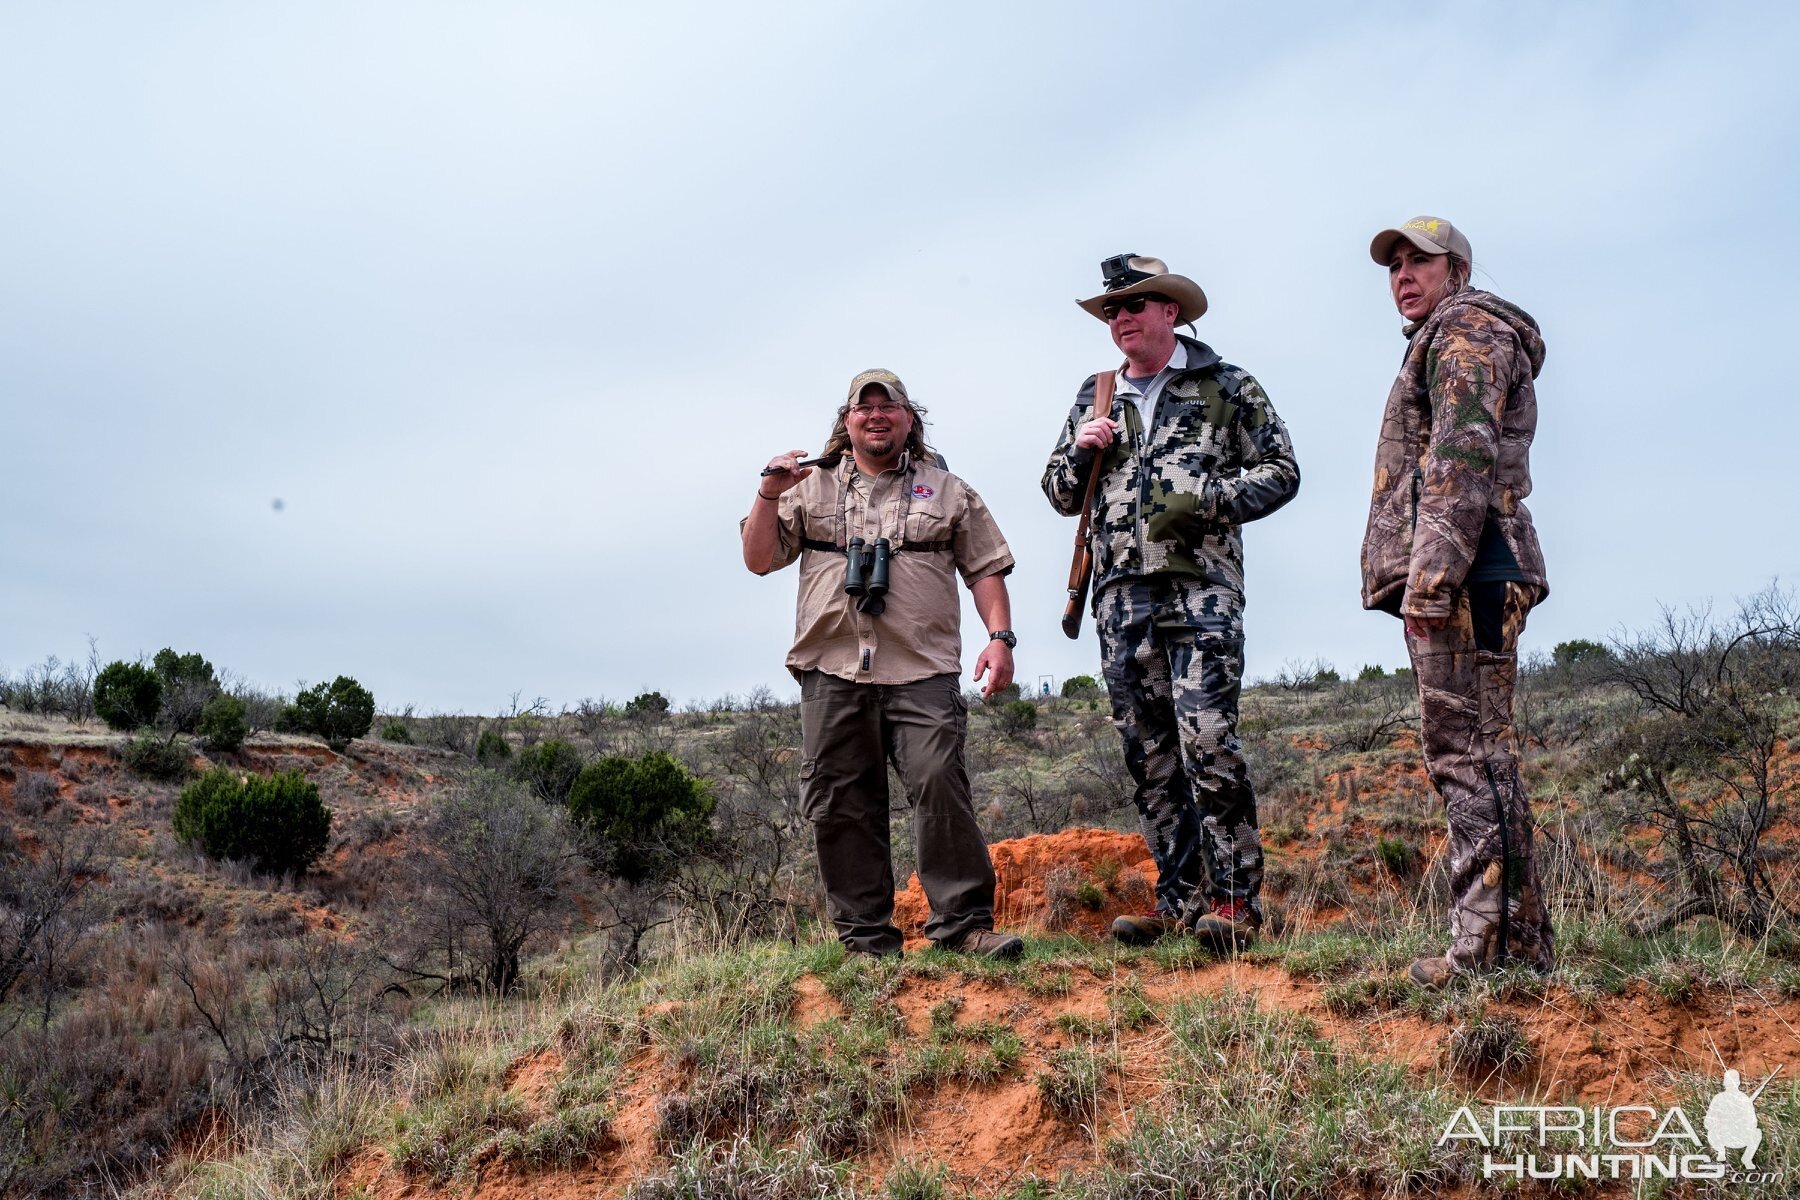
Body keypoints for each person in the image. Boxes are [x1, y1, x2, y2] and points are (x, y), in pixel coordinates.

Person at [1042, 256, 1299, 949]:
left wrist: (1210, 499)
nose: (1121, 319)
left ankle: (1237, 902)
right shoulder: (1095, 396)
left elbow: (1283, 471)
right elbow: (1058, 492)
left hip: (1202, 592)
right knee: (1148, 753)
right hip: (1120, 598)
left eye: (1134, 305)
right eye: (1111, 311)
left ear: (1170, 313)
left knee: (1208, 743)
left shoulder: (1226, 385)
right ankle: (1179, 900)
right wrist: (1079, 452)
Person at [743, 368, 1024, 960]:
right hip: (832, 669)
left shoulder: (947, 489)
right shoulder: (807, 487)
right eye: (862, 407)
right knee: (841, 800)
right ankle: (866, 940)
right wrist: (769, 490)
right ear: (846, 423)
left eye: (888, 406)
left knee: (939, 784)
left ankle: (964, 926)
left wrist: (1000, 637)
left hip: (921, 669)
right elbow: (758, 558)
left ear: (908, 418)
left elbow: (985, 568)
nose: (875, 415)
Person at [1361, 216, 1555, 987]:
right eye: (1395, 264)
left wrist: (1430, 580)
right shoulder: (1446, 335)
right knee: (1478, 754)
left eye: (1422, 261)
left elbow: (1460, 458)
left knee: (1470, 756)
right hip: (1471, 566)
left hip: (1468, 570)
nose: (1404, 274)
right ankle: (1511, 947)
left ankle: (1488, 954)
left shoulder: (1466, 329)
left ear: (1459, 270)